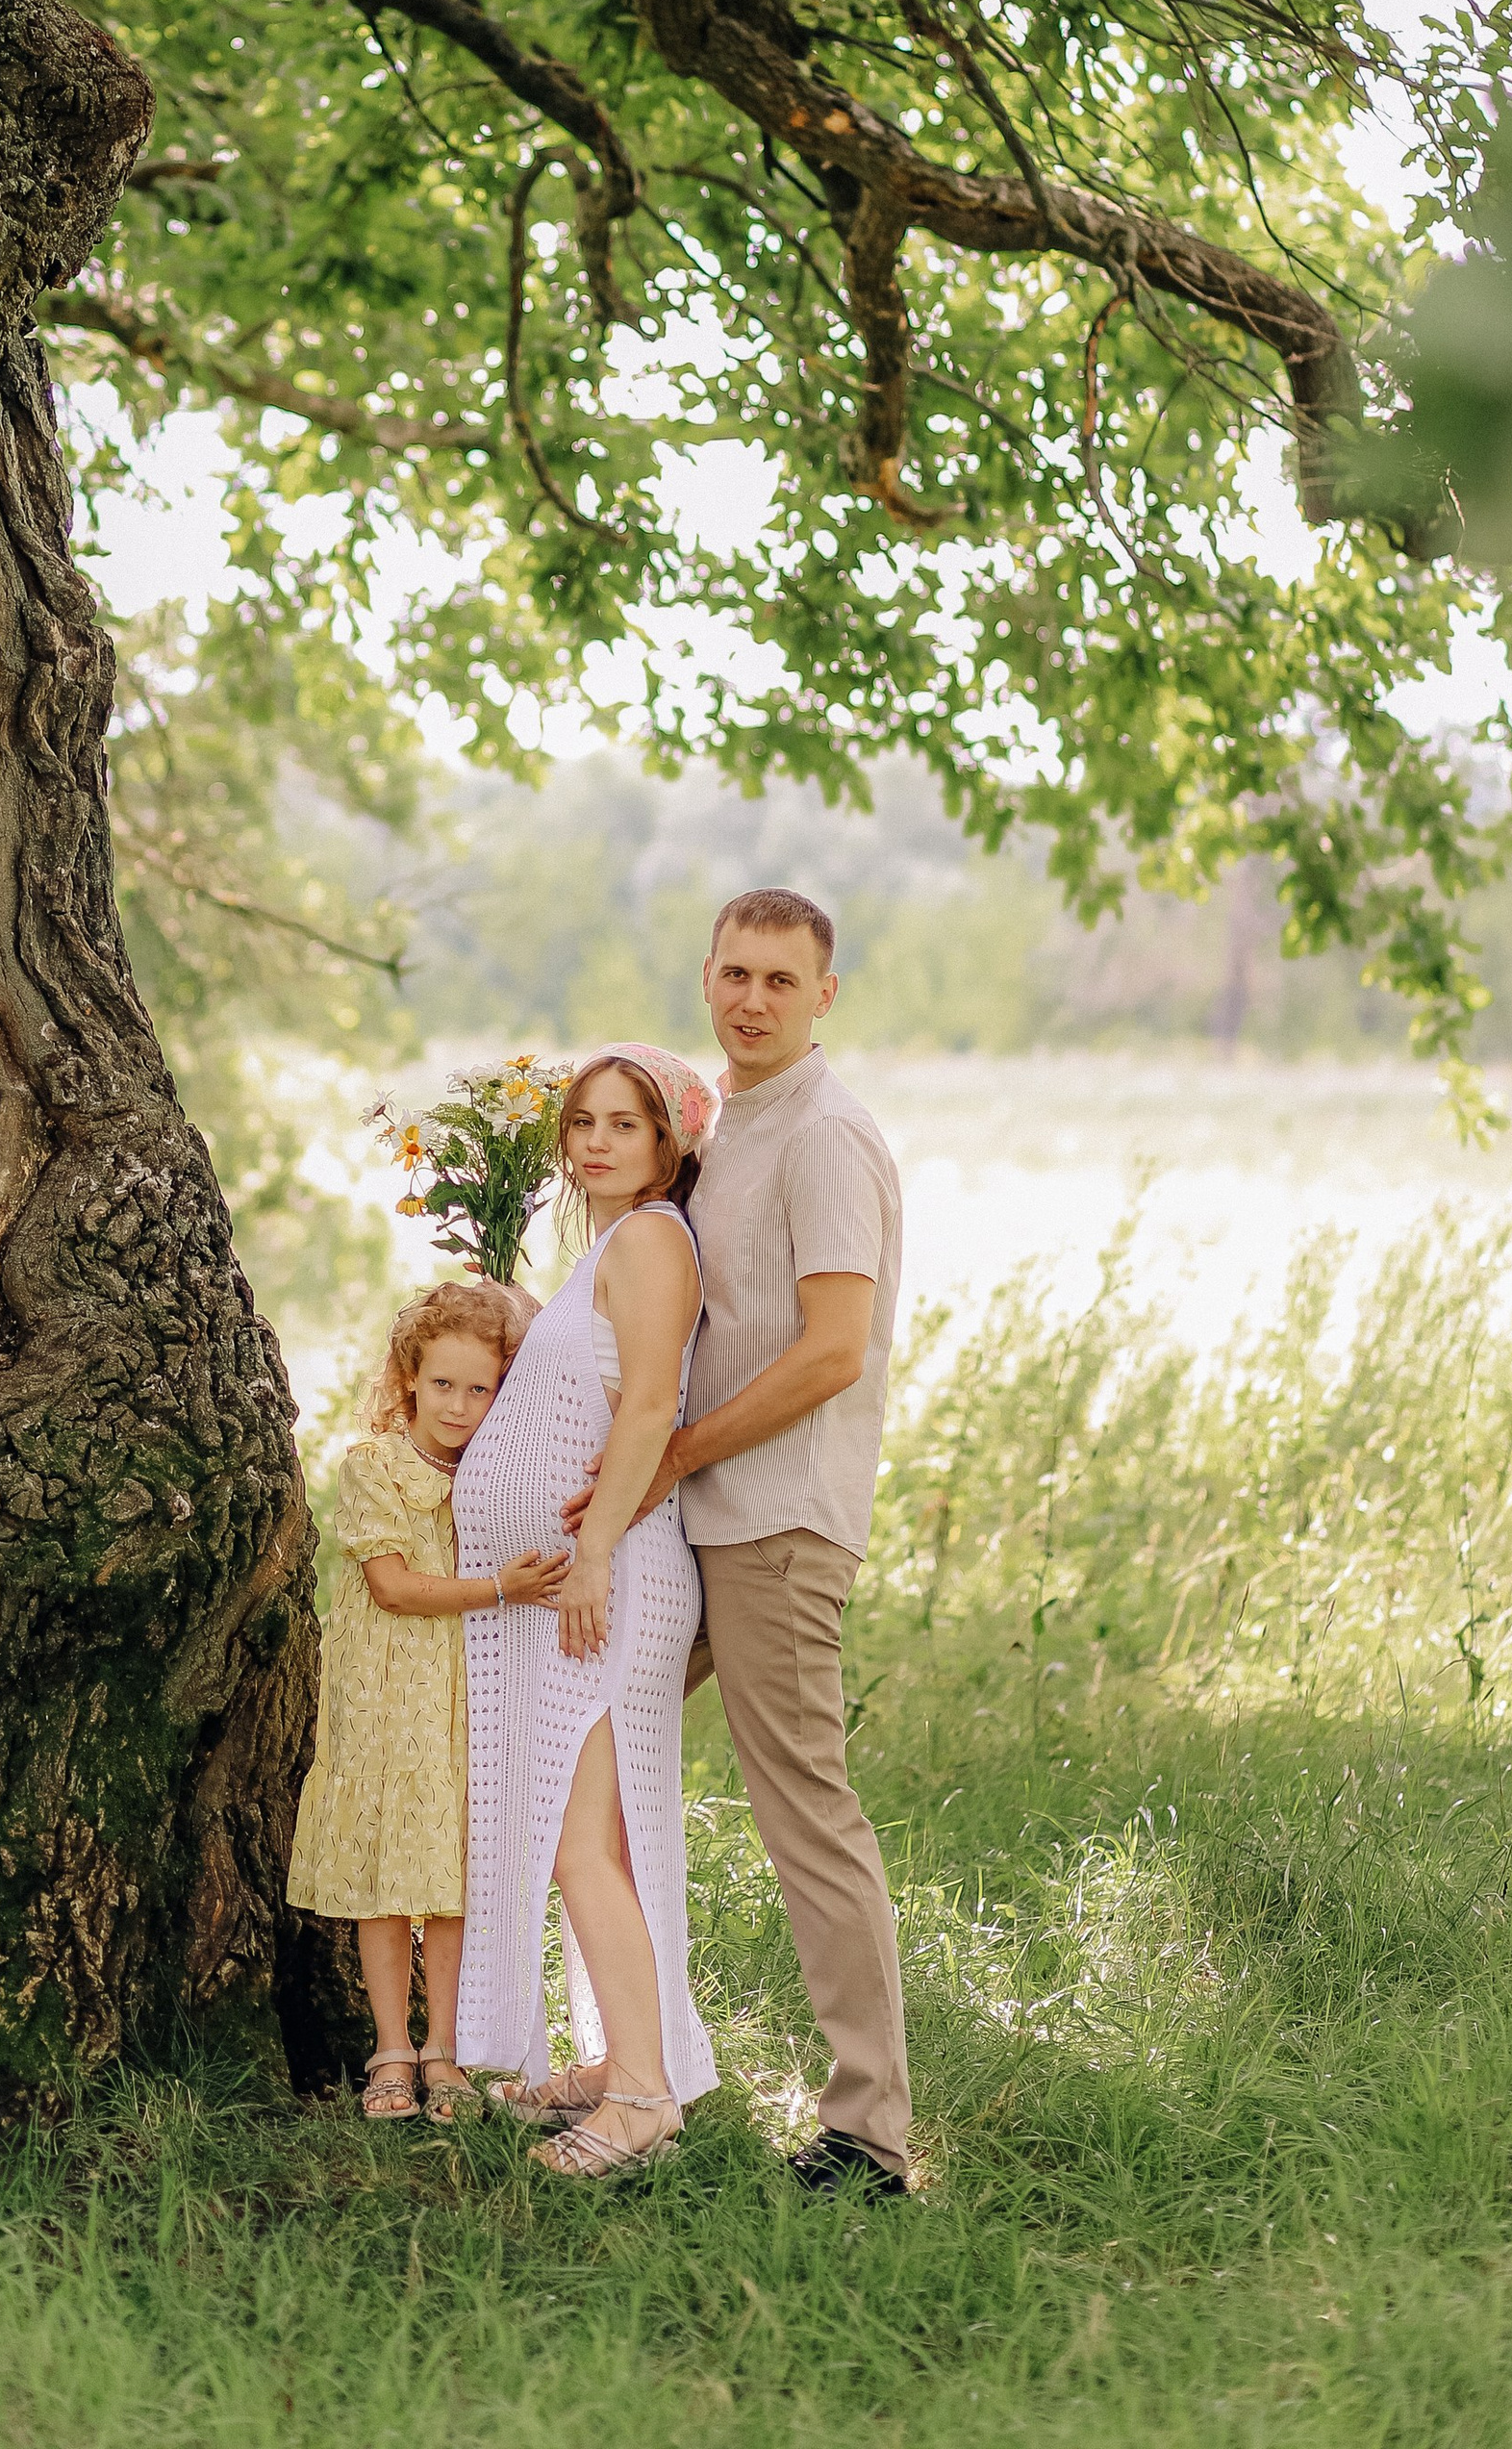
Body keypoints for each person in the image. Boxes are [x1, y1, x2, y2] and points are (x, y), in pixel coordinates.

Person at [570, 887, 909, 2198]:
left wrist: (676, 1456)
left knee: (805, 1818)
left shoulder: (826, 1136)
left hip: (773, 1524)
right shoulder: (724, 1131)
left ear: (825, 994)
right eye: (734, 974)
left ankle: (868, 2136)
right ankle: (621, 2062)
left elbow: (834, 1352)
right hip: (693, 1519)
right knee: (584, 1753)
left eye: (781, 978)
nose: (753, 998)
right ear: (706, 980)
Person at [454, 1045, 719, 2179]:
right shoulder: (609, 1246)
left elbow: (654, 1403)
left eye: (627, 1123)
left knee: (580, 1846)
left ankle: (645, 2099)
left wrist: (597, 1551)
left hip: (607, 1578)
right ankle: (623, 2062)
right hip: (585, 1572)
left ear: (670, 1143)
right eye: (584, 1123)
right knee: (601, 1839)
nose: (599, 1141)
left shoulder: (654, 1239)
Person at [286, 1279, 568, 2123]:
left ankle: (443, 2048)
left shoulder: (492, 1472)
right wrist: (500, 1589)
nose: (458, 1404)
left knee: (449, 1877)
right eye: (441, 1384)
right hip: (384, 1699)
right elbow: (395, 1588)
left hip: (465, 1700)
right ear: (407, 1378)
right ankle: (391, 2049)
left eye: (479, 1389)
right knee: (385, 1879)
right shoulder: (373, 1465)